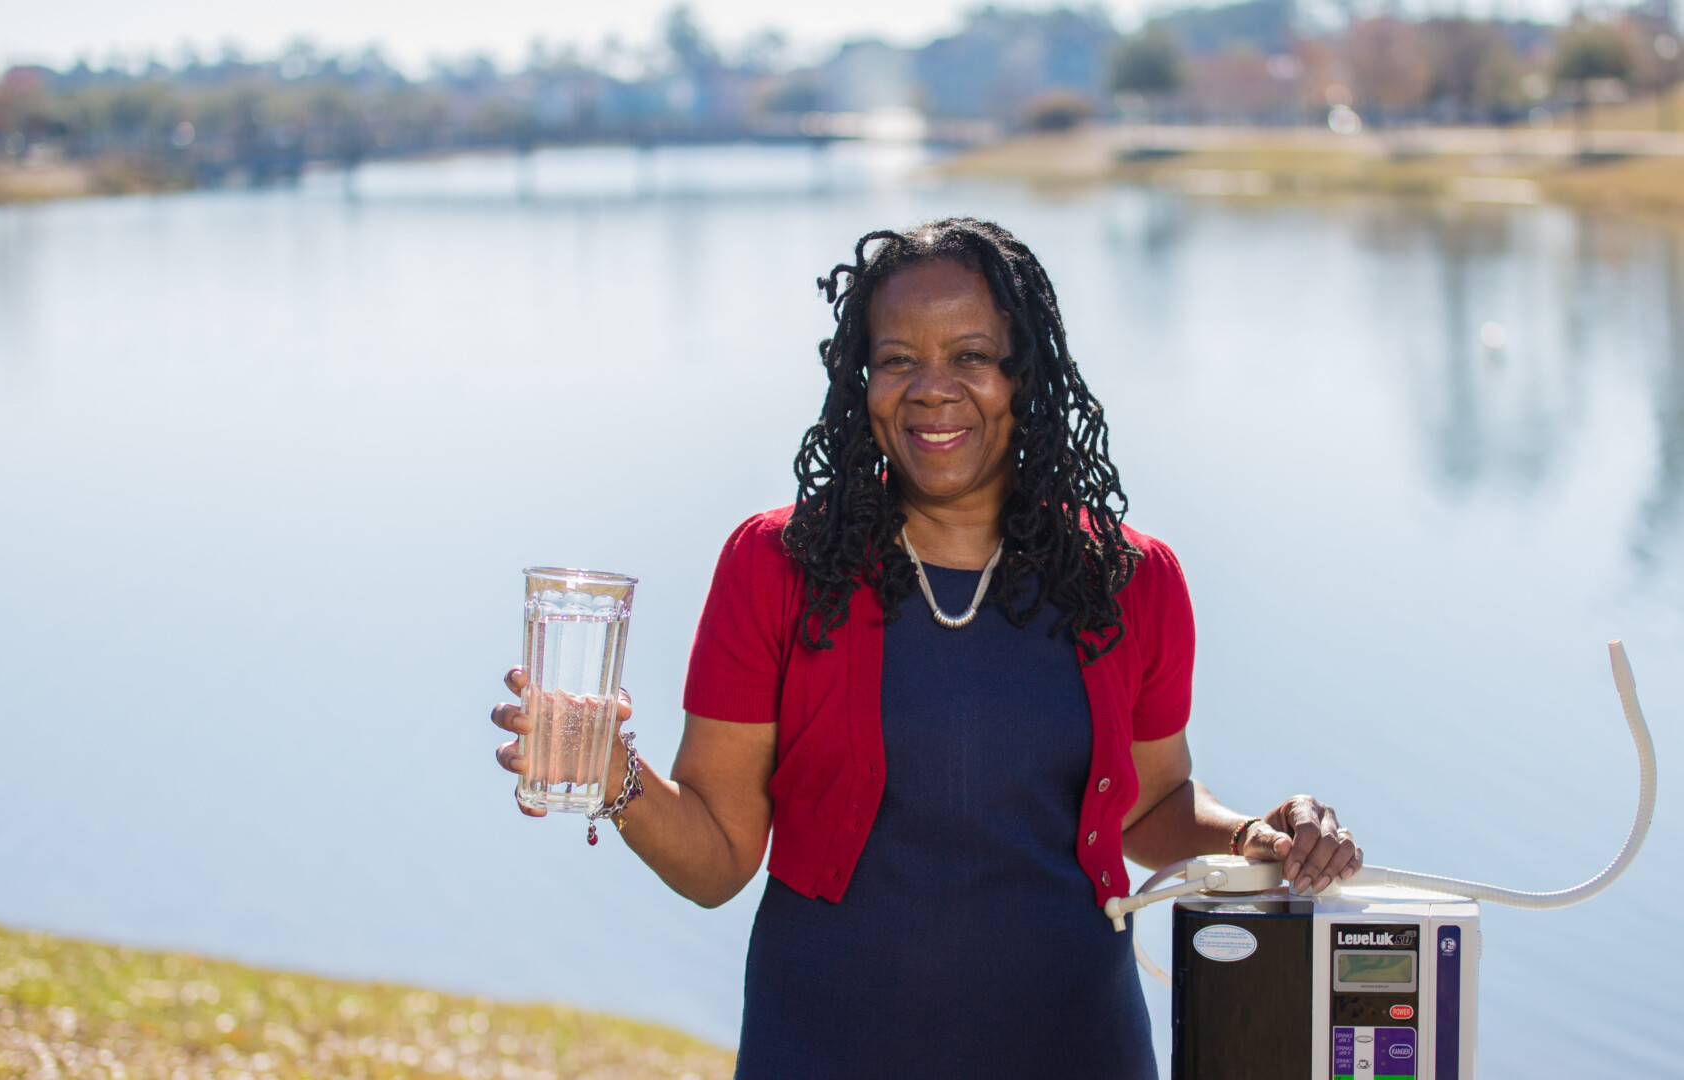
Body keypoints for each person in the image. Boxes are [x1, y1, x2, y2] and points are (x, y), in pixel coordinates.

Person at [492, 218, 1362, 1078]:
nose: (930, 389)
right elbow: (718, 859)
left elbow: (1150, 803)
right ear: (861, 380)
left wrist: (1256, 835)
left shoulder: (1130, 581)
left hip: (1078, 1049)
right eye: (898, 359)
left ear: (1026, 377)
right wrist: (613, 774)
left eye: (971, 357)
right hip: (824, 1051)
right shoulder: (776, 566)